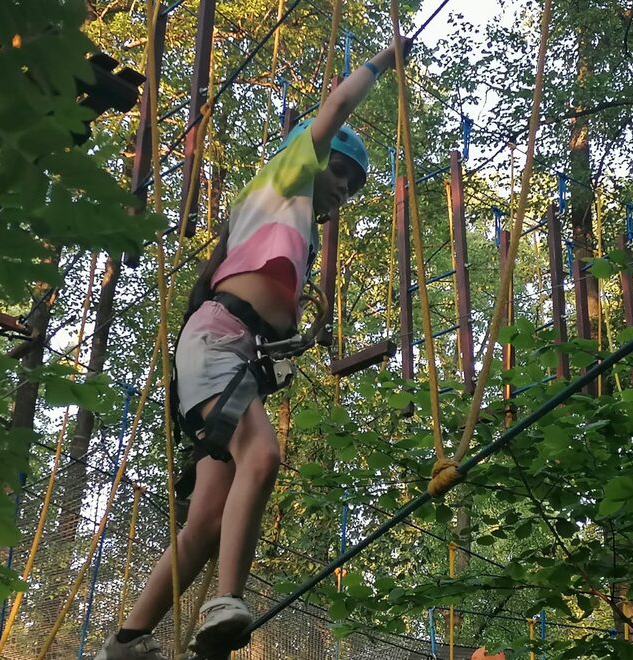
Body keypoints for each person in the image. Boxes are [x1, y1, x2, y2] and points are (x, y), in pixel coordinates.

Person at [95, 35, 412, 660]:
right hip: (220, 342)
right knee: (262, 455)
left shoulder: (286, 224)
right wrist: (382, 61)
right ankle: (225, 603)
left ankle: (126, 642)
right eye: (340, 172)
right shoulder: (287, 174)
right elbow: (337, 107)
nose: (343, 189)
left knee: (206, 523)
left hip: (232, 355)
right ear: (313, 157)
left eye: (354, 186)